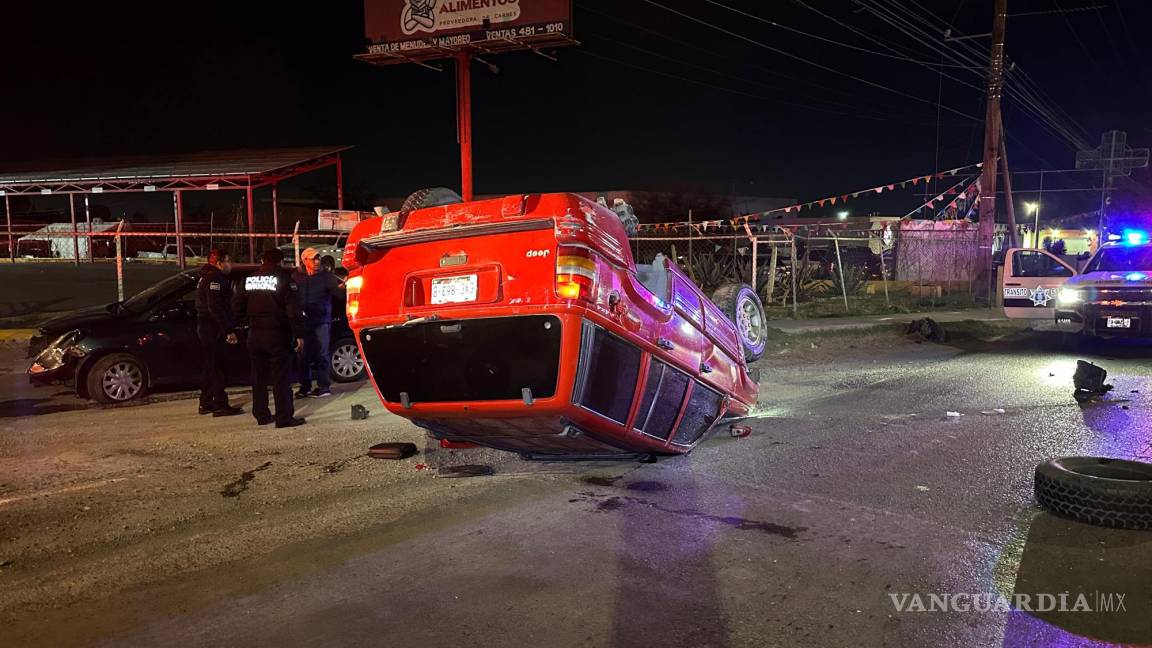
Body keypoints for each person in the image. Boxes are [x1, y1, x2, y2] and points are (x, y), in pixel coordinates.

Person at [233, 248, 306, 428]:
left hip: (255, 333)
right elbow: (293, 312)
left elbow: (236, 306)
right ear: (280, 262)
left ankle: (261, 414)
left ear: (262, 260)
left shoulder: (249, 279)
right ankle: (284, 417)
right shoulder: (284, 280)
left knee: (258, 377)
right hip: (277, 333)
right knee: (280, 378)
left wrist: (246, 322)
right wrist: (299, 334)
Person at [194, 248, 243, 417]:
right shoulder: (214, 278)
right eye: (228, 261)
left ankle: (206, 402)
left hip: (207, 326)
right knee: (217, 368)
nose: (231, 265)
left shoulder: (206, 276)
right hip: (212, 327)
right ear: (219, 263)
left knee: (210, 367)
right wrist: (228, 330)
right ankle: (220, 404)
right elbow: (215, 307)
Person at [292, 247, 345, 398]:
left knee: (323, 354)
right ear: (305, 261)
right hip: (303, 322)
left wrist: (343, 288)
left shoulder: (326, 277)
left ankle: (324, 387)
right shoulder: (297, 277)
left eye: (318, 258)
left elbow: (338, 295)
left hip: (321, 321)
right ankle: (305, 387)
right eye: (313, 259)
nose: (317, 261)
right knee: (303, 355)